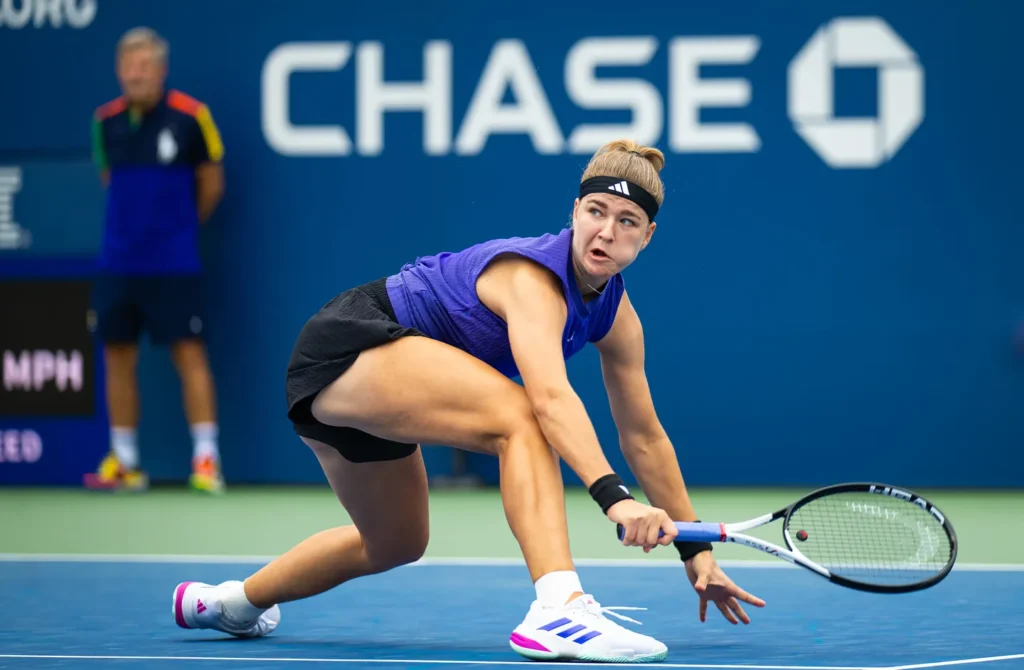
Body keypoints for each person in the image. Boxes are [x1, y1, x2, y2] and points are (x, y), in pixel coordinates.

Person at [171, 139, 765, 662]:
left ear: (648, 236)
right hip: (349, 347)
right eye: (595, 211)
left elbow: (644, 435)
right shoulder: (534, 279)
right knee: (521, 418)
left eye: (627, 221)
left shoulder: (618, 318)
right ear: (574, 211)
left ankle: (228, 603)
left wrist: (695, 549)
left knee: (396, 543)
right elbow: (551, 398)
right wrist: (616, 500)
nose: (606, 232)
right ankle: (559, 606)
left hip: (385, 391)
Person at [84, 27, 226, 494]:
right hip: (118, 263)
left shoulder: (191, 118)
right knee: (117, 356)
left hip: (174, 263)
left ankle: (206, 461)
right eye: (128, 66)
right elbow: (109, 181)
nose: (135, 74)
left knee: (189, 355)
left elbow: (211, 185)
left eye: (144, 66)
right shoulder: (104, 122)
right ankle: (124, 462)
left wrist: (175, 232)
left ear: (161, 71)